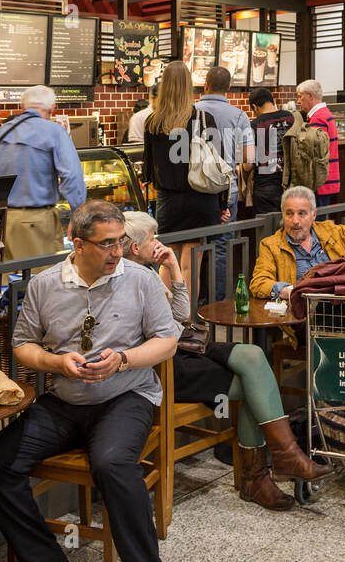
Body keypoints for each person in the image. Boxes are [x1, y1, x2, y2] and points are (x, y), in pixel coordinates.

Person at [0, 200, 181, 562]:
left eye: (121, 241)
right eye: (107, 244)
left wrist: (121, 360)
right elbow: (22, 344)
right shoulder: (44, 285)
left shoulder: (140, 279)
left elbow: (167, 341)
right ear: (78, 244)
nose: (117, 252)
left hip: (126, 396)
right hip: (65, 402)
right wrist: (57, 363)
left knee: (112, 464)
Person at [123, 213, 331, 510]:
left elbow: (182, 315)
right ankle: (260, 475)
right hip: (164, 364)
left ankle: (280, 460)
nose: (158, 242)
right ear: (135, 247)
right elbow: (173, 324)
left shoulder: (147, 273)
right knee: (254, 382)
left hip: (185, 344)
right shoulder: (131, 281)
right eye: (152, 238)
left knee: (253, 355)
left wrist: (172, 267)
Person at [143, 61, 230, 306]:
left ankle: (164, 320)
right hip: (200, 200)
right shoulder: (204, 118)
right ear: (188, 86)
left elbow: (149, 170)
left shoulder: (153, 122)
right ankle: (187, 322)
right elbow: (216, 164)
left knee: (166, 262)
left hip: (168, 202)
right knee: (192, 265)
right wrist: (222, 204)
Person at [0, 85, 87, 260]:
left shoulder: (3, 131)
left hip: (1, 221)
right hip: (36, 223)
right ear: (52, 108)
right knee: (40, 281)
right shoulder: (54, 131)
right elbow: (72, 177)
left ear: (21, 107)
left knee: (6, 281)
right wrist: (78, 218)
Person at [251, 186, 345, 301]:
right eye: (289, 213)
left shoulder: (330, 231)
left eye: (302, 213)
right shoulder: (271, 245)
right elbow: (259, 283)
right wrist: (288, 291)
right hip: (308, 315)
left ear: (313, 215)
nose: (295, 220)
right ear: (282, 215)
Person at [196, 66, 255, 300]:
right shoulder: (239, 116)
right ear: (229, 88)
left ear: (205, 85)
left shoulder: (191, 111)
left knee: (195, 245)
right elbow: (249, 159)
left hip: (196, 189)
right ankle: (217, 302)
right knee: (222, 247)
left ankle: (194, 301)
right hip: (225, 190)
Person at [247, 85, 294, 215]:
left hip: (266, 186)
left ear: (255, 107)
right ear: (272, 101)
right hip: (291, 182)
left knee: (268, 231)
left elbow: (247, 165)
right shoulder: (290, 117)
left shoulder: (254, 125)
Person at [296, 79, 339, 206]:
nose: (298, 101)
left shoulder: (318, 118)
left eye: (300, 97)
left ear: (310, 96)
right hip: (327, 179)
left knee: (318, 223)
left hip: (321, 181)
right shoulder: (324, 114)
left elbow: (314, 152)